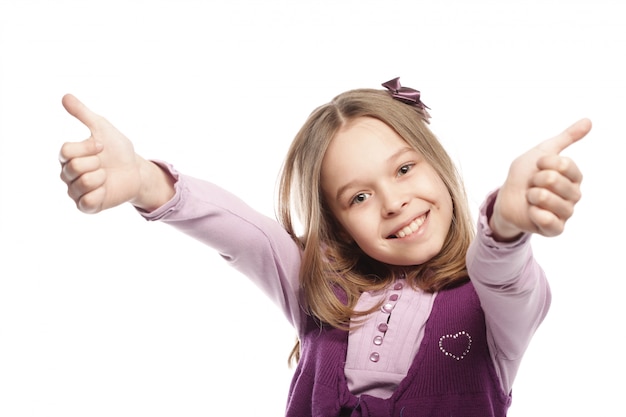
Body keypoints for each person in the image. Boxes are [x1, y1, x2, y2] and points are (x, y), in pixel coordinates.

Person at [58, 78, 591, 417]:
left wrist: (507, 225)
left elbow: (504, 273)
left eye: (405, 169)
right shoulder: (319, 290)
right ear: (338, 224)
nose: (393, 202)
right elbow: (245, 234)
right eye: (358, 196)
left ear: (439, 165)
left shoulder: (494, 309)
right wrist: (146, 182)